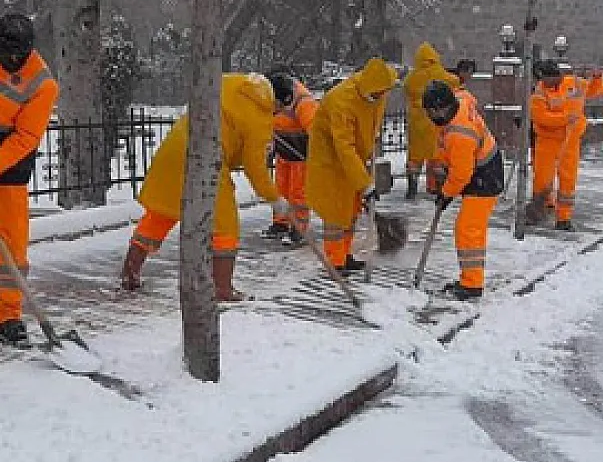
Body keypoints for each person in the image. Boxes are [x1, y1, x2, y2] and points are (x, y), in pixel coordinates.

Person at [120, 73, 282, 301]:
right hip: (208, 159)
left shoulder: (231, 82)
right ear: (277, 102)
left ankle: (130, 273)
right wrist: (275, 198)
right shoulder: (261, 118)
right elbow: (256, 168)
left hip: (177, 145)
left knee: (160, 215)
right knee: (225, 227)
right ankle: (222, 289)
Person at [306, 58, 398, 274]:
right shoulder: (341, 101)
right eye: (378, 93)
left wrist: (369, 154)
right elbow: (343, 146)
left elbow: (371, 124)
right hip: (331, 161)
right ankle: (334, 263)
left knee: (351, 209)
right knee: (336, 212)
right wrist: (364, 183)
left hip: (354, 157)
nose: (382, 96)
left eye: (384, 92)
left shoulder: (378, 94)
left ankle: (345, 256)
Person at [0, 14, 59, 347]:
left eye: (17, 54)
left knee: (10, 244)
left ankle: (8, 315)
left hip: (11, 163)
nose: (11, 60)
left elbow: (25, 137)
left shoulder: (42, 83)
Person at [422, 80, 504, 301]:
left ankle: (472, 284)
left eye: (432, 111)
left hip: (485, 177)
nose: (431, 117)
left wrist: (446, 194)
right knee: (467, 227)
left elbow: (461, 174)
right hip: (480, 168)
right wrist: (439, 164)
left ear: (442, 108)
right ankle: (470, 280)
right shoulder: (459, 101)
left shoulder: (460, 134)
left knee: (468, 229)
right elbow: (465, 95)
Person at [261, 71, 318, 247]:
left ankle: (299, 228)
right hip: (284, 151)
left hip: (301, 154)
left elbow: (315, 133)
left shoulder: (304, 104)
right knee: (280, 189)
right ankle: (281, 223)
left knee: (298, 193)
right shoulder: (268, 96)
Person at [551, 65, 603, 230]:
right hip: (565, 135)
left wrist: (596, 78)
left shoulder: (563, 85)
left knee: (546, 175)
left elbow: (594, 90)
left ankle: (546, 206)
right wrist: (597, 78)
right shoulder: (577, 84)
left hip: (553, 135)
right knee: (566, 178)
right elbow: (595, 91)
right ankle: (562, 217)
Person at [402, 42, 455, 199]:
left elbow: (406, 87)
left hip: (417, 122)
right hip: (434, 119)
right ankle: (436, 187)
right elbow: (453, 81)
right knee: (436, 155)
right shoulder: (438, 72)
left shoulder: (413, 76)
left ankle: (412, 186)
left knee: (415, 156)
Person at [525, 60, 569, 226]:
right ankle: (535, 211)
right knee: (543, 177)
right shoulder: (539, 94)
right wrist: (565, 119)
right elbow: (542, 118)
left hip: (563, 139)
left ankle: (546, 204)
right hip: (545, 140)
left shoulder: (563, 87)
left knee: (558, 176)